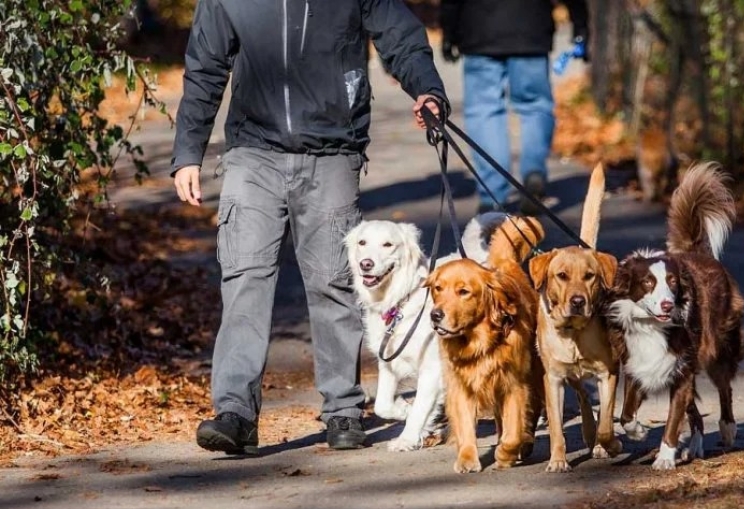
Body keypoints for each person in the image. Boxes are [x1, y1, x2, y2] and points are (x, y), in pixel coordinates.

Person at [172, 0, 447, 454]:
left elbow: (400, 36)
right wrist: (188, 151)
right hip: (252, 153)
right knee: (244, 279)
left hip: (332, 150)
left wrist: (429, 91)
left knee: (333, 281)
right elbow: (205, 65)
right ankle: (235, 413)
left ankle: (342, 409)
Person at [440, 0, 589, 214]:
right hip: (530, 27)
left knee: (484, 111)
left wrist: (449, 30)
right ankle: (534, 171)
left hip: (479, 30)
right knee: (535, 106)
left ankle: (492, 192)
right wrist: (580, 23)